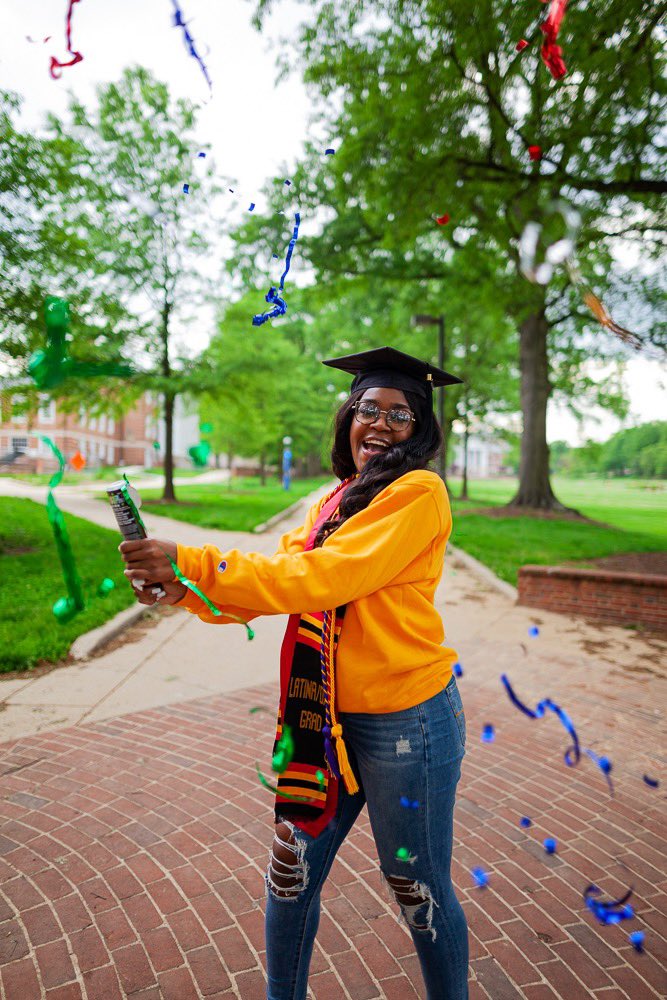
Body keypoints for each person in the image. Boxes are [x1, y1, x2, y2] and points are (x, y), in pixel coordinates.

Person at [119, 346, 470, 999]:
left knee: (415, 886)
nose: (380, 424)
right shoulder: (333, 499)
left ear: (419, 429)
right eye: (369, 408)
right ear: (348, 417)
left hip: (407, 721)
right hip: (324, 718)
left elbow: (323, 578)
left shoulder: (418, 493)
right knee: (291, 870)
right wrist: (185, 592)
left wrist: (192, 558)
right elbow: (279, 583)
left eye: (400, 414)